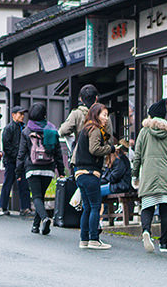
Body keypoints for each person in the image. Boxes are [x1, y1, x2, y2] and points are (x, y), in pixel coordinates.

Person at [130, 99, 167, 254]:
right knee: (165, 209)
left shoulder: (144, 132)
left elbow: (137, 156)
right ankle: (164, 243)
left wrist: (134, 175)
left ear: (151, 115)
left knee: (147, 206)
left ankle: (146, 231)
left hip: (149, 174)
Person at [72, 103, 118, 250]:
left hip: (80, 174)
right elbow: (94, 149)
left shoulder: (86, 129)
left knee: (87, 208)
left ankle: (84, 240)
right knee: (95, 206)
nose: (106, 118)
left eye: (107, 115)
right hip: (90, 174)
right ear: (96, 115)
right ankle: (93, 239)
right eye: (104, 115)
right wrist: (110, 149)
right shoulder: (95, 129)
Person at [17, 102, 63, 236]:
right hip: (48, 169)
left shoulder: (27, 131)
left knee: (36, 197)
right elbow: (58, 153)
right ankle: (36, 226)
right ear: (44, 115)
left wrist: (18, 171)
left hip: (32, 168)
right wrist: (61, 171)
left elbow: (21, 153)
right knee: (41, 196)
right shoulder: (52, 130)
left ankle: (44, 218)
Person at [0, 105, 31, 216]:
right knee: (8, 183)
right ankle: (3, 206)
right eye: (20, 114)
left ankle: (25, 207)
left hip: (21, 162)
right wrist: (18, 157)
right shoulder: (9, 128)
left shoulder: (25, 128)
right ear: (13, 115)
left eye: (23, 114)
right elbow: (6, 147)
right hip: (11, 161)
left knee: (24, 185)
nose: (22, 116)